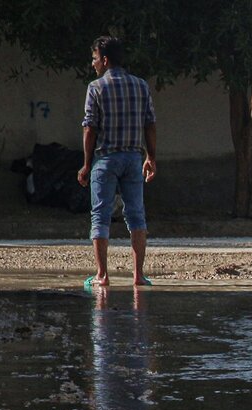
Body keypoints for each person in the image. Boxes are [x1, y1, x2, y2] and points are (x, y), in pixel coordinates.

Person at [76, 35, 157, 290]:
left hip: (106, 159)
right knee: (136, 215)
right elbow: (150, 124)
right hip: (133, 158)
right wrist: (151, 157)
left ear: (105, 59)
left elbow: (90, 128)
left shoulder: (96, 88)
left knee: (100, 215)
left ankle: (102, 275)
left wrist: (87, 164)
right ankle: (138, 276)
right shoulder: (141, 86)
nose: (93, 64)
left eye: (95, 58)